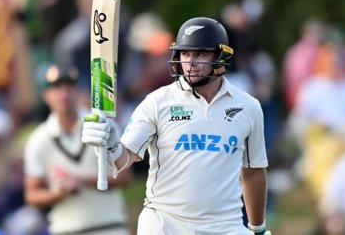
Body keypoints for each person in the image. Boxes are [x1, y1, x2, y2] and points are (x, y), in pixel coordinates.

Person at [82, 17, 271, 235]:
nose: (190, 62)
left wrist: (257, 228)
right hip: (165, 222)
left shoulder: (248, 107)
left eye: (200, 54)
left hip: (226, 225)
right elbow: (123, 160)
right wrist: (110, 145)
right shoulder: (158, 101)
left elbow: (254, 171)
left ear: (221, 57)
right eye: (185, 54)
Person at [24, 64, 131, 235]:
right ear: (46, 95)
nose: (63, 94)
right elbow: (32, 195)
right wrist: (58, 192)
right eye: (56, 88)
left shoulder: (103, 125)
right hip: (66, 230)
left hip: (110, 227)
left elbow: (124, 176)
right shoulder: (38, 139)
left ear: (79, 91)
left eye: (69, 87)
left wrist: (81, 181)